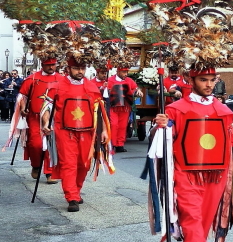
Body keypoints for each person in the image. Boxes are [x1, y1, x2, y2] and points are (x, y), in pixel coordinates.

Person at [152, 66, 233, 242]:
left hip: (215, 174)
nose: (209, 85)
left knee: (203, 219)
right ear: (191, 80)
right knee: (192, 217)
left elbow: (228, 140)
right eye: (203, 80)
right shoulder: (176, 109)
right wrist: (163, 127)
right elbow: (166, 136)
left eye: (212, 80)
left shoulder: (222, 109)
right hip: (186, 173)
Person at [41, 57, 110, 212]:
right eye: (76, 68)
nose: (80, 72)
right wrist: (46, 123)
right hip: (65, 132)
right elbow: (46, 107)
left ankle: (76, 191)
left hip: (87, 132)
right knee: (69, 163)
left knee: (84, 164)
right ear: (69, 69)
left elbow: (100, 111)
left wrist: (104, 130)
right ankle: (71, 197)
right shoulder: (57, 86)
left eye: (82, 68)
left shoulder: (91, 87)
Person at [18, 57, 63, 184]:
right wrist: (22, 108)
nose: (51, 67)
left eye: (53, 65)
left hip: (54, 117)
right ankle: (36, 165)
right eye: (48, 65)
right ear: (42, 64)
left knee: (51, 143)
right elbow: (22, 96)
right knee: (35, 144)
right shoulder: (32, 78)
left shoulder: (62, 79)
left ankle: (50, 172)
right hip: (35, 116)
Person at [107, 67, 143, 153]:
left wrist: (138, 91)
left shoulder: (129, 80)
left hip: (125, 107)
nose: (125, 74)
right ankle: (112, 144)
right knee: (114, 124)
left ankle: (120, 145)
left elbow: (135, 88)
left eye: (126, 72)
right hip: (113, 107)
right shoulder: (110, 80)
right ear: (118, 71)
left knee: (123, 126)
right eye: (123, 72)